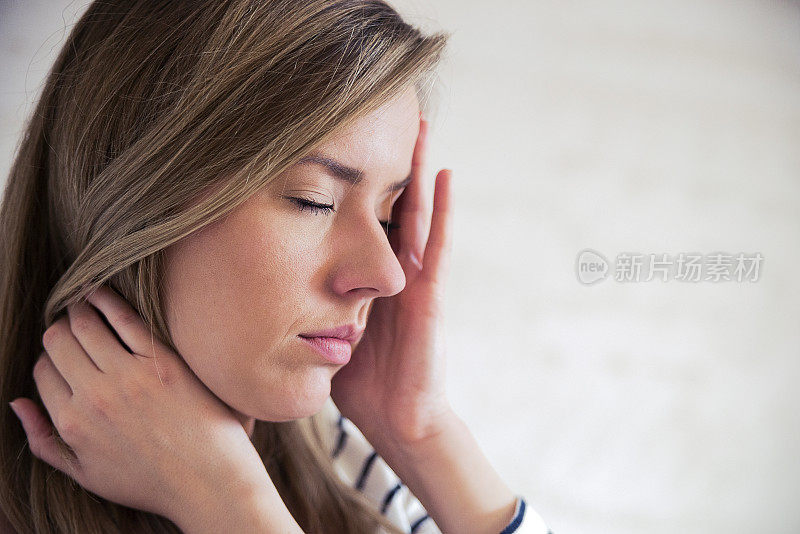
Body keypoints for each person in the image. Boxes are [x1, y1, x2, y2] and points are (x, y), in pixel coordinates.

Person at [0, 1, 552, 533]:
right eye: (315, 200)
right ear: (134, 196)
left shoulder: (361, 476)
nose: (389, 276)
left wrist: (422, 432)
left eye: (388, 216)